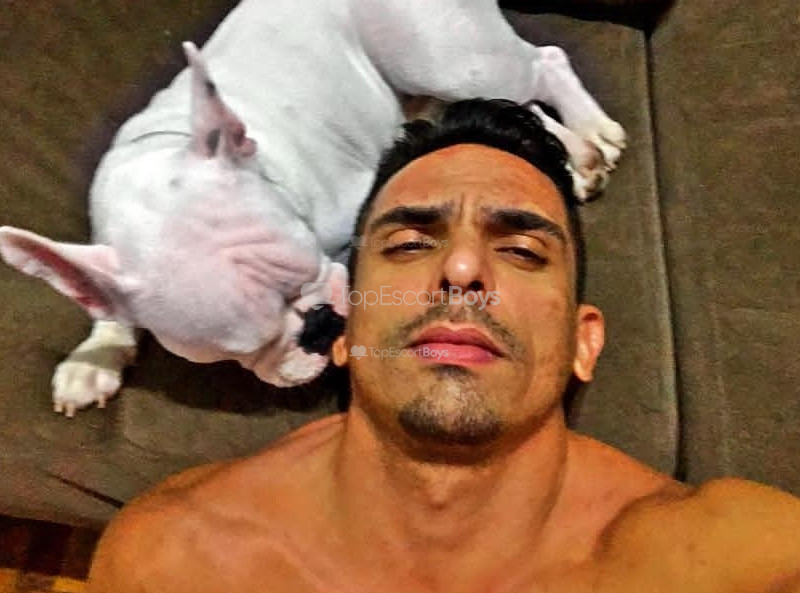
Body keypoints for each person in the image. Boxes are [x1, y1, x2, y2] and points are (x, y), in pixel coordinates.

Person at [86, 99, 800, 593]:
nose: (461, 269)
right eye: (408, 243)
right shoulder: (174, 561)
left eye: (522, 250)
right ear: (344, 326)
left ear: (584, 343)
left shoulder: (742, 562)